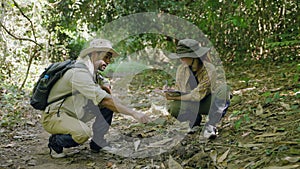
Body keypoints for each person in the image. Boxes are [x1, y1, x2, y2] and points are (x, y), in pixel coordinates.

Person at [41, 38, 150, 158]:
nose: (108, 61)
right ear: (94, 54)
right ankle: (55, 142)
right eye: (105, 57)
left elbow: (106, 93)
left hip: (75, 112)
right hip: (54, 116)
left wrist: (106, 88)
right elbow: (104, 100)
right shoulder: (78, 73)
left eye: (110, 58)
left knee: (108, 105)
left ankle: (98, 143)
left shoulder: (92, 71)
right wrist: (134, 113)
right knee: (83, 133)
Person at [165, 39, 230, 139]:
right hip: (192, 103)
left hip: (207, 102)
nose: (181, 60)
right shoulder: (181, 69)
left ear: (194, 57)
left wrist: (177, 98)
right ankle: (194, 120)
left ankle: (211, 125)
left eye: (184, 57)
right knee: (173, 107)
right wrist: (171, 92)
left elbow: (197, 95)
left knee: (224, 90)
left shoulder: (209, 69)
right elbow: (181, 89)